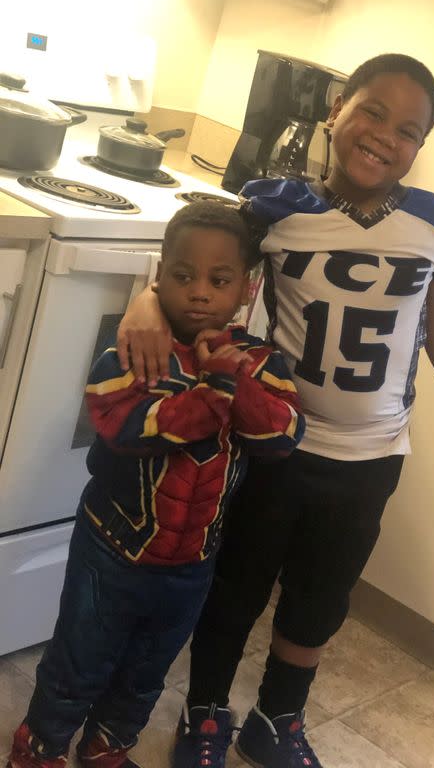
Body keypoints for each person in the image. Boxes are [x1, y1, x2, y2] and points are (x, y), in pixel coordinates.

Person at [116, 53, 434, 768]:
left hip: (371, 456)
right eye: (372, 111)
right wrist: (147, 299)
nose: (385, 135)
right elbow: (200, 262)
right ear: (336, 108)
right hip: (277, 445)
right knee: (238, 585)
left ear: (420, 148)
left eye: (409, 130)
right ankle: (204, 712)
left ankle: (277, 718)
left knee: (321, 599)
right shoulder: (276, 208)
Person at [6, 201, 305, 768]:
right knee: (78, 662)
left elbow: (285, 433)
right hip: (111, 553)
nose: (199, 293)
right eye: (183, 276)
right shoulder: (137, 347)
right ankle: (39, 747)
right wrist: (207, 397)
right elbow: (120, 424)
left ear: (247, 286)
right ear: (159, 275)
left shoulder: (260, 363)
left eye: (219, 281)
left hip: (192, 566)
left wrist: (233, 385)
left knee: (147, 674)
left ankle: (106, 749)